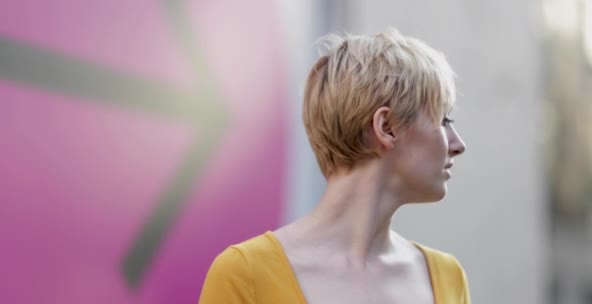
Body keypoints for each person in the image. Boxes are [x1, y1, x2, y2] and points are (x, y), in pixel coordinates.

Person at [199, 27, 470, 304]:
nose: (458, 144)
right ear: (387, 127)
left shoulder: (447, 278)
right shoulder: (246, 275)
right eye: (443, 121)